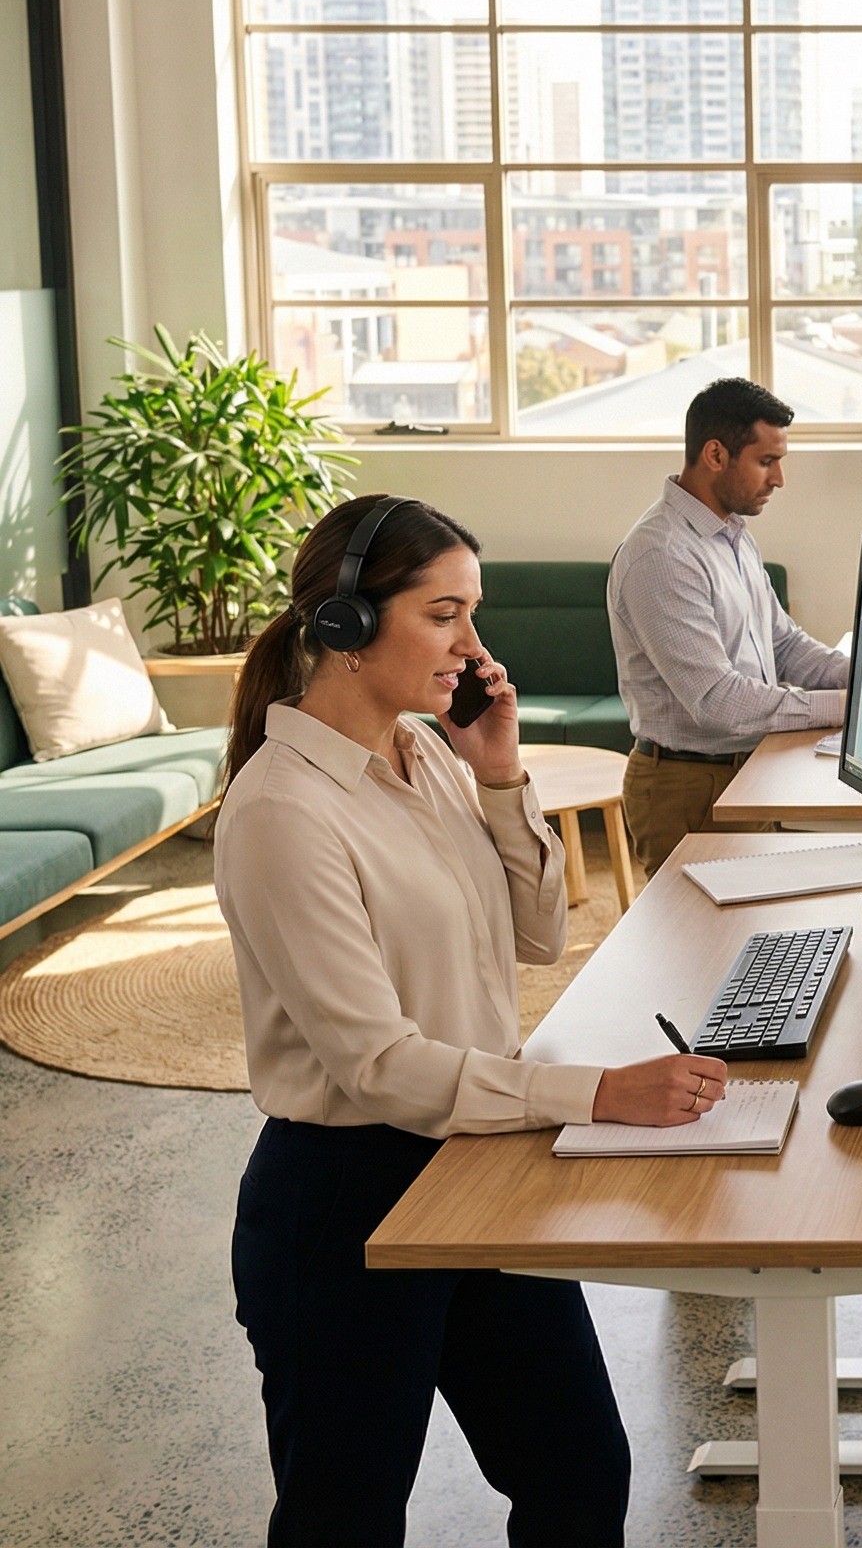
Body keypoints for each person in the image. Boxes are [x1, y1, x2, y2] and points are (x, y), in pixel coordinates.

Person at [216, 493, 731, 1547]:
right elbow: (377, 1066)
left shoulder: (432, 758)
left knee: (580, 1467)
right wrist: (600, 1093)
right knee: (345, 1515)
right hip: (344, 1195)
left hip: (473, 1161)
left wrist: (500, 770)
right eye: (445, 614)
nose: (473, 645)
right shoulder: (282, 810)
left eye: (474, 613)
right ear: (347, 625)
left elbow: (537, 931)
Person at [608, 378, 850, 873]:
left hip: (744, 772)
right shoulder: (662, 555)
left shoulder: (732, 535)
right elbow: (718, 701)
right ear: (715, 454)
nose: (779, 479)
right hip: (686, 786)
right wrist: (845, 708)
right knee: (698, 946)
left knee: (753, 937)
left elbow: (783, 643)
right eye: (766, 461)